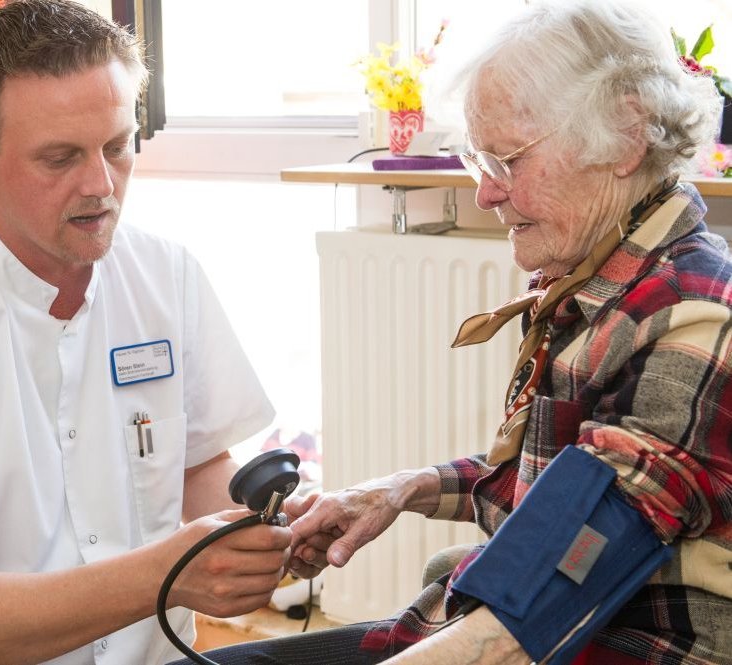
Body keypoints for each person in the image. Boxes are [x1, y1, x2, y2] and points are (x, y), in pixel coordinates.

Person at [169, 1, 732, 664]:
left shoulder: (697, 319)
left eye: (507, 159)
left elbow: (532, 610)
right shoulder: (604, 275)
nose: (486, 193)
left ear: (627, 136)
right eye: (478, 160)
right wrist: (398, 489)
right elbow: (554, 493)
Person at [0, 1, 292, 664]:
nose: (101, 184)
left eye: (117, 146)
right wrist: (169, 572)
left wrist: (267, 530)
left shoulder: (166, 274)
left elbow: (200, 464)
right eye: (60, 158)